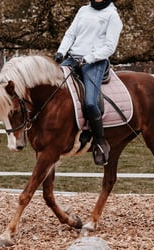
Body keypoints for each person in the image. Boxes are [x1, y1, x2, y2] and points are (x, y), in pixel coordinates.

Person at [54, 0, 123, 166]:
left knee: (91, 103)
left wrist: (88, 59)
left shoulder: (112, 16)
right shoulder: (83, 10)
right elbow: (70, 34)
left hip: (95, 62)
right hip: (73, 58)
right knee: (53, 89)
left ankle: (100, 142)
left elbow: (109, 47)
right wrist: (61, 52)